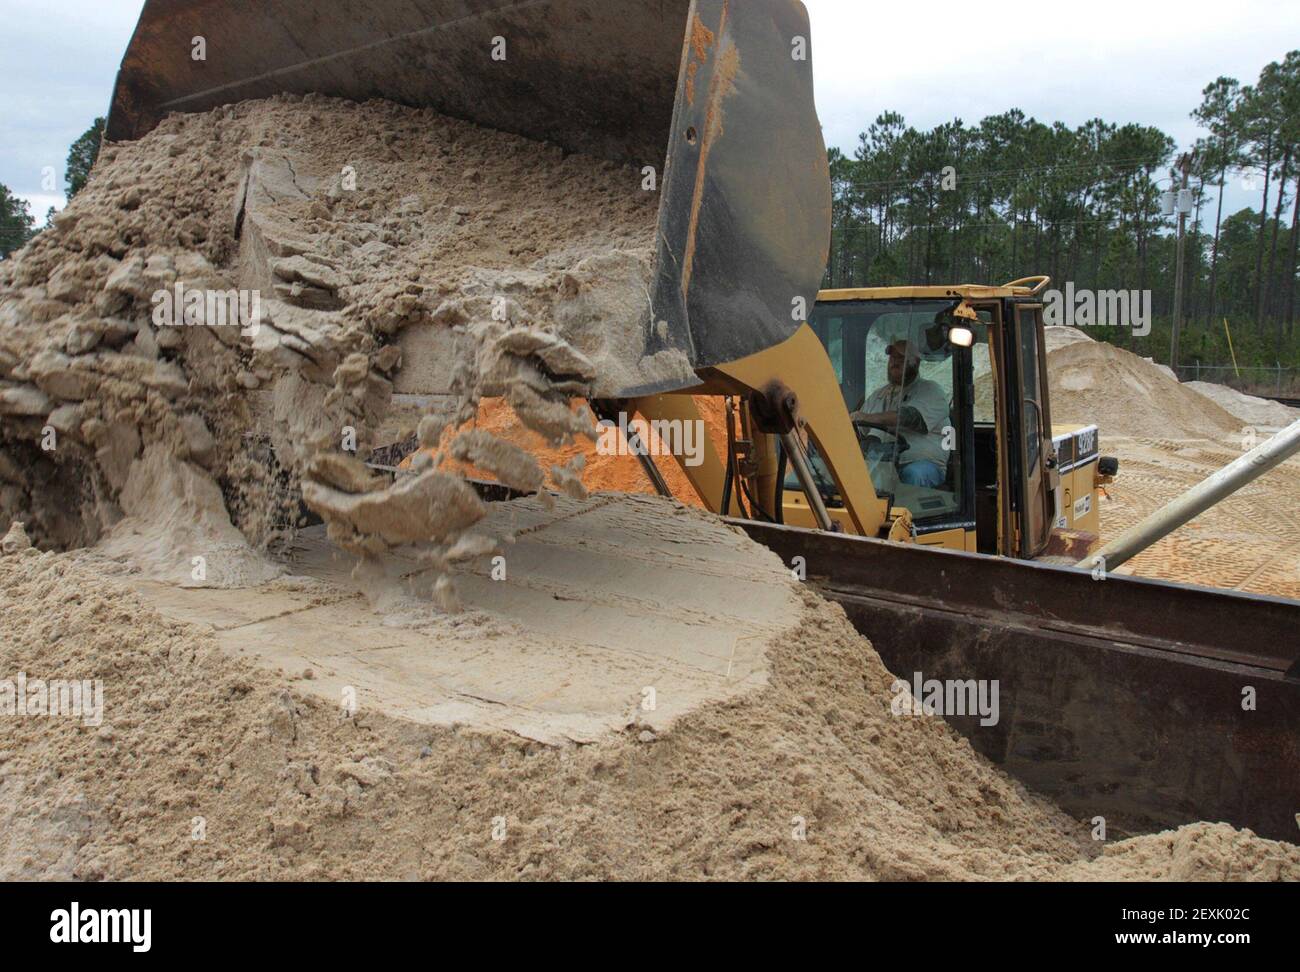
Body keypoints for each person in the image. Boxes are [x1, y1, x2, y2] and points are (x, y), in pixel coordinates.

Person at [850, 338, 950, 487]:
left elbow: (909, 417)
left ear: (915, 362)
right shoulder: (879, 395)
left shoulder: (930, 391)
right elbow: (859, 430)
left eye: (901, 358)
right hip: (884, 465)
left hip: (922, 464)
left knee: (912, 474)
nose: (894, 362)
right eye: (892, 357)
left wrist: (866, 417)